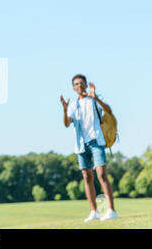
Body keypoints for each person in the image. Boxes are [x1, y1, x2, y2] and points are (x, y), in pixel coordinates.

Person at [60, 74, 119, 222]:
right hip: (81, 145)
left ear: (86, 85)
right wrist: (64, 109)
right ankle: (94, 212)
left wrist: (96, 97)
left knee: (101, 174)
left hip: (96, 141)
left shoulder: (95, 99)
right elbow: (67, 124)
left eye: (81, 83)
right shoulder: (73, 105)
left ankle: (111, 210)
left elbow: (109, 111)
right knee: (87, 177)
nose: (79, 86)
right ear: (73, 88)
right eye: (76, 84)